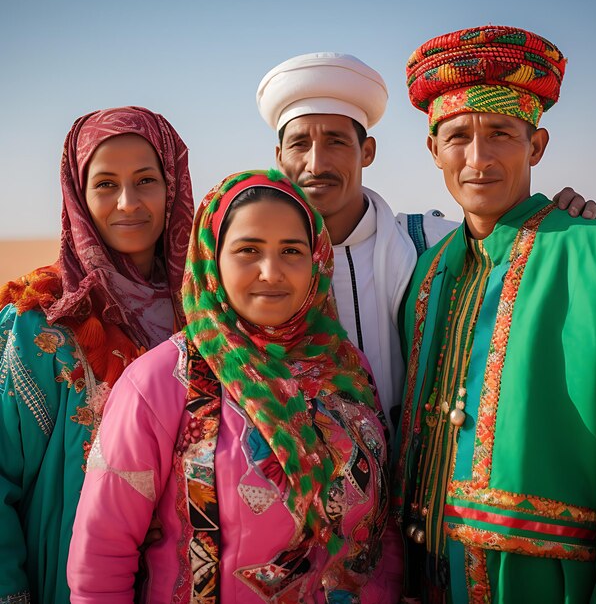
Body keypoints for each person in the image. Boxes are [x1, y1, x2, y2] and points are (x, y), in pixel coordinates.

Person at [67, 170, 402, 603]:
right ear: (212, 259)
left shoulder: (345, 368)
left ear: (317, 258)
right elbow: (102, 557)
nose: (271, 271)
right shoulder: (163, 381)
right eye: (248, 250)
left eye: (291, 250)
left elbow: (382, 528)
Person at [393, 25, 596, 603]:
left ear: (537, 146)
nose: (478, 158)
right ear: (433, 150)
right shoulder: (426, 271)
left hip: (553, 583)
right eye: (457, 137)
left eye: (500, 133)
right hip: (427, 575)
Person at [256, 52, 596, 434]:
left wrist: (569, 227)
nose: (316, 164)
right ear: (278, 157)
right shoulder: (256, 268)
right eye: (298, 145)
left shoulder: (431, 247)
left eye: (337, 142)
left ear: (368, 152)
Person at [0, 106, 194, 604]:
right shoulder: (41, 324)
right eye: (105, 184)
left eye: (146, 179)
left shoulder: (208, 318)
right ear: (78, 195)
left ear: (173, 184)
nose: (128, 202)